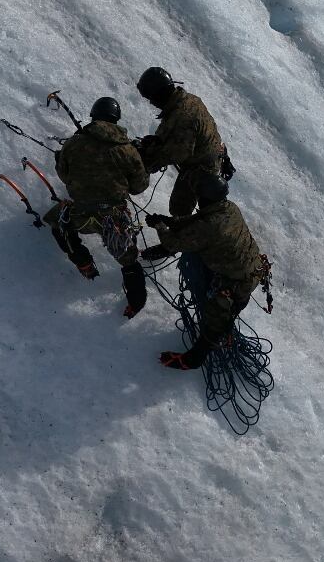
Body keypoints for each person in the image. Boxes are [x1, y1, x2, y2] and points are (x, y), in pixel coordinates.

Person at [142, 173, 266, 370]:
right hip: (252, 268)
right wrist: (168, 221)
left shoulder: (210, 227)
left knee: (215, 321)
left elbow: (175, 242)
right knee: (228, 308)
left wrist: (161, 227)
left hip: (237, 281)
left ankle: (194, 358)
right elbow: (197, 221)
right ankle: (227, 322)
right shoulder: (228, 207)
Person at [46, 97, 150, 317]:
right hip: (113, 218)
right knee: (129, 259)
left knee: (57, 223)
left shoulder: (73, 143)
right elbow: (139, 187)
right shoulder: (127, 150)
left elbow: (64, 175)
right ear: (116, 120)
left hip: (80, 213)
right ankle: (136, 304)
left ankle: (83, 263)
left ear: (93, 116)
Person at [135, 66, 232, 217]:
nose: (151, 103)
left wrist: (146, 160)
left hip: (202, 168)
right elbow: (172, 128)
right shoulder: (186, 100)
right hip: (208, 155)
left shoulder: (183, 117)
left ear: (159, 95)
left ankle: (188, 237)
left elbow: (177, 153)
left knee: (179, 208)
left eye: (151, 98)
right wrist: (157, 140)